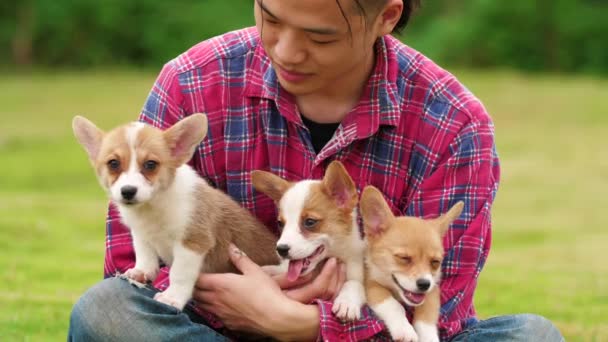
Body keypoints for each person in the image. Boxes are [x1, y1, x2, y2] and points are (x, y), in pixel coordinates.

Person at [68, 0, 565, 341]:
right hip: (215, 330)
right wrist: (248, 307)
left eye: (319, 36)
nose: (285, 49)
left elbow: (444, 298)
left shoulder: (454, 122)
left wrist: (308, 324)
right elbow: (129, 267)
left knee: (533, 336)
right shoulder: (193, 82)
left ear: (386, 16)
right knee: (107, 312)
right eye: (270, 17)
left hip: (377, 335)